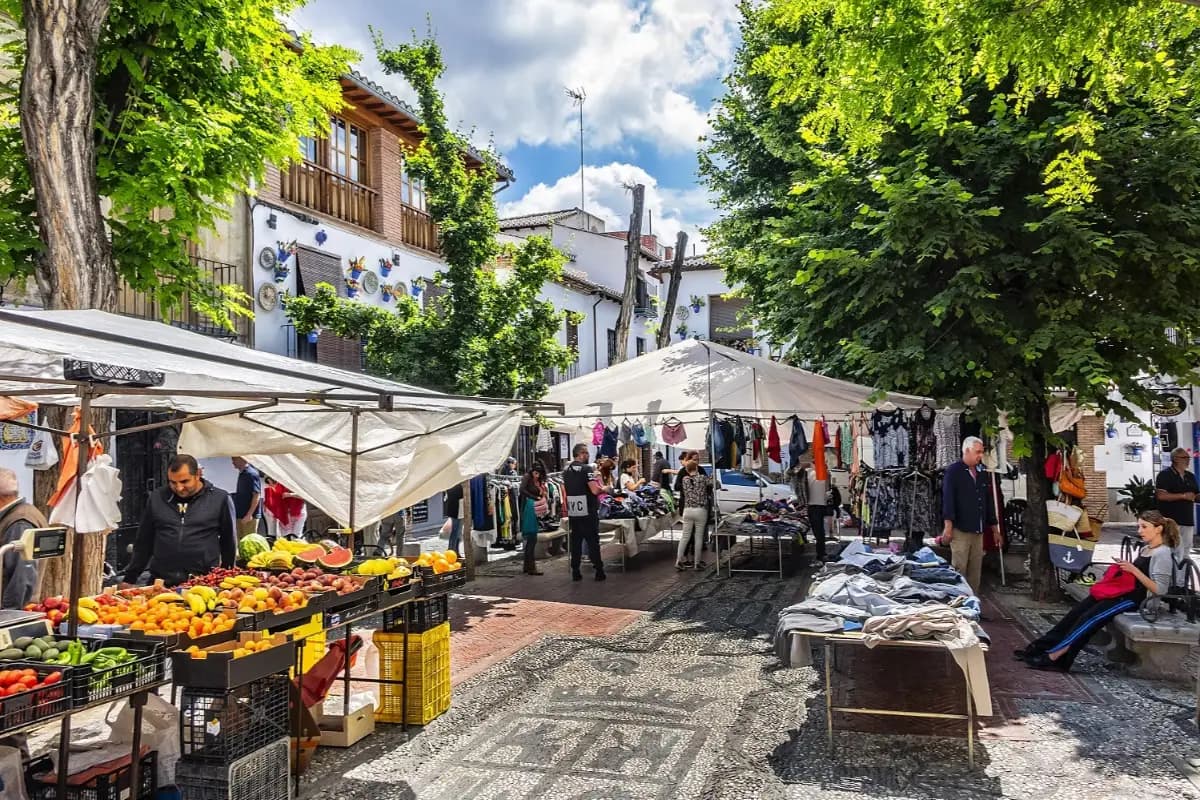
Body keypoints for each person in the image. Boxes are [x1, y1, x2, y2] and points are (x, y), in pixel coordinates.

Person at [1016, 510, 1176, 672]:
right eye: (1139, 526)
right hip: (1124, 593)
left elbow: (1160, 589)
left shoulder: (1162, 553)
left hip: (1138, 601)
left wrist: (1133, 570)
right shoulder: (1147, 548)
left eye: (1144, 527)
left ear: (1159, 529)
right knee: (1077, 612)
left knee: (1090, 618)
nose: (1139, 531)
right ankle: (1040, 647)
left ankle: (1057, 656)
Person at [123, 454, 237, 586]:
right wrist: (130, 578)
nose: (179, 488)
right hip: (161, 582)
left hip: (203, 582)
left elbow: (229, 543)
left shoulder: (220, 499)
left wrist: (226, 578)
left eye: (184, 482)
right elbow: (144, 541)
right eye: (173, 482)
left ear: (198, 474)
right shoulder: (157, 498)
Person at [941, 436, 1001, 593]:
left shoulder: (981, 472)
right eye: (978, 452)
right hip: (961, 528)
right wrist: (948, 527)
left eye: (982, 452)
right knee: (960, 567)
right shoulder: (954, 471)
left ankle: (973, 601)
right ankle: (958, 601)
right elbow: (948, 500)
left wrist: (995, 529)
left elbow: (987, 500)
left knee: (976, 570)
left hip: (978, 528)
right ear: (967, 451)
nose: (980, 455)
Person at [0, 468, 44, 609]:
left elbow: (22, 576)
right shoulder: (19, 514)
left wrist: (10, 613)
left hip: (10, 610)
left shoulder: (20, 522)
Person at [563, 442, 606, 581]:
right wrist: (604, 489)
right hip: (588, 509)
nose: (588, 455)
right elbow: (594, 489)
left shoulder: (566, 470)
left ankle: (575, 570)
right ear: (580, 454)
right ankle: (599, 570)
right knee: (592, 540)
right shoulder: (586, 469)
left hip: (574, 510)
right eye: (586, 453)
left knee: (576, 540)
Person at [1155, 447, 1198, 570]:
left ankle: (1181, 582)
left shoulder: (1190, 476)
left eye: (1188, 458)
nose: (1188, 460)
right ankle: (1169, 579)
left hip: (1187, 519)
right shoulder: (1165, 475)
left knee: (1185, 551)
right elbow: (1161, 495)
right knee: (1171, 549)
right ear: (1175, 459)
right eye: (1185, 458)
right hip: (1171, 519)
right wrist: (1183, 496)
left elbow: (1196, 494)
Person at [676, 452, 713, 570]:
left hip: (687, 510)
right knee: (698, 537)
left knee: (684, 537)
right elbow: (714, 484)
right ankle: (697, 563)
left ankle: (678, 561)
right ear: (696, 468)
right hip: (700, 510)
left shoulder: (684, 479)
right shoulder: (702, 478)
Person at [519, 462, 548, 576]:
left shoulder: (539, 480)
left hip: (535, 508)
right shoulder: (527, 477)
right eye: (535, 473)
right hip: (529, 508)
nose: (537, 475)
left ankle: (528, 566)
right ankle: (531, 567)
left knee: (532, 539)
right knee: (531, 537)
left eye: (539, 474)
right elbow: (522, 490)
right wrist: (534, 497)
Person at [263, 476, 307, 540]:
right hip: (285, 514)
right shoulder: (277, 486)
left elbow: (305, 496)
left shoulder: (297, 481)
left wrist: (290, 495)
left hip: (299, 512)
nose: (270, 484)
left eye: (271, 482)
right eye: (269, 482)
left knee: (296, 536)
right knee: (286, 537)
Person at [230, 457, 262, 539]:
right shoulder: (242, 473)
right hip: (240, 514)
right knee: (239, 540)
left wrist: (249, 514)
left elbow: (256, 495)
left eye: (234, 460)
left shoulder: (251, 474)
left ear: (242, 459)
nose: (232, 462)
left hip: (248, 516)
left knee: (249, 541)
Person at [442, 484, 464, 556]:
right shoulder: (454, 484)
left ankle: (455, 551)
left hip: (459, 508)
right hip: (456, 509)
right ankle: (451, 551)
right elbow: (456, 494)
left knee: (458, 531)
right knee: (455, 531)